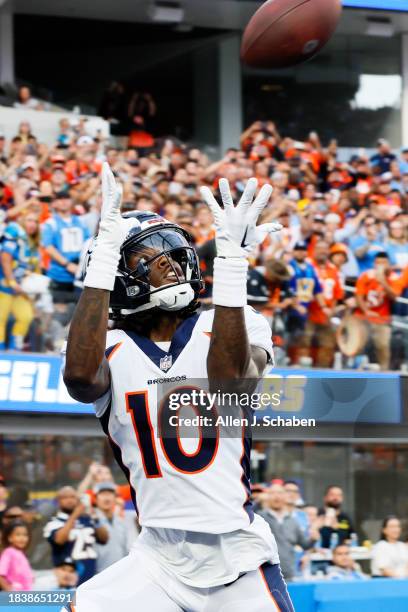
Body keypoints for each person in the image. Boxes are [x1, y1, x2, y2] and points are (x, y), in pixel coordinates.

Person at [63, 164, 294, 610]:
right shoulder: (105, 347)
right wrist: (102, 262)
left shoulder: (233, 322)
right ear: (117, 276)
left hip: (237, 555)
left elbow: (231, 385)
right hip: (157, 557)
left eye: (169, 249)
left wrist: (231, 263)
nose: (166, 259)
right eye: (144, 255)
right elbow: (80, 381)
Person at [43, 486, 108, 586]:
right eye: (65, 497)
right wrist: (75, 514)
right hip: (67, 578)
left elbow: (104, 539)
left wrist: (94, 516)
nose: (69, 500)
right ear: (58, 501)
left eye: (73, 497)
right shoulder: (54, 522)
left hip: (91, 575)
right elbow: (59, 540)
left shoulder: (87, 519)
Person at [257, 484, 317, 581]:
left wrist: (313, 539)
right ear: (267, 497)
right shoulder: (259, 518)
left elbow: (305, 545)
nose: (276, 496)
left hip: (289, 574)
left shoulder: (293, 521)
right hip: (265, 575)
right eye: (272, 493)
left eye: (280, 493)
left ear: (285, 497)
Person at [0, 211, 41, 350]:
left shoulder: (33, 244)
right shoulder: (14, 233)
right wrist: (11, 281)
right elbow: (5, 258)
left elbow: (32, 268)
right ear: (22, 220)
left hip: (20, 290)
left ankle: (14, 349)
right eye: (29, 220)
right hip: (4, 286)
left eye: (35, 221)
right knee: (0, 320)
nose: (32, 224)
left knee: (25, 317)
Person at [41, 190, 90, 304]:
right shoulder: (50, 223)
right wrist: (67, 264)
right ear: (55, 203)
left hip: (80, 275)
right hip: (59, 275)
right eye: (60, 199)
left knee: (79, 312)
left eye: (66, 198)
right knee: (59, 313)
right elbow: (48, 247)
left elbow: (88, 242)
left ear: (71, 201)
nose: (63, 202)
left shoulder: (81, 221)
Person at [354, 252, 400, 369]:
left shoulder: (393, 277)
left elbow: (394, 297)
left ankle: (384, 373)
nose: (380, 265)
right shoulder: (366, 275)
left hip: (382, 318)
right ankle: (354, 370)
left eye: (383, 263)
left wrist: (383, 282)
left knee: (383, 346)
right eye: (378, 262)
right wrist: (366, 310)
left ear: (388, 264)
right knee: (357, 345)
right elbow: (359, 296)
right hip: (363, 317)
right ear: (374, 263)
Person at [94, 482, 128, 572]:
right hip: (97, 575)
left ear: (115, 498)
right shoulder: (91, 519)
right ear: (96, 499)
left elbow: (124, 549)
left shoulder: (120, 521)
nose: (106, 497)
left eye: (109, 494)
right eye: (102, 494)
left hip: (120, 573)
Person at [0, 520, 34, 591]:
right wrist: (9, 590)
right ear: (10, 538)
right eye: (18, 535)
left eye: (25, 535)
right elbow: (1, 575)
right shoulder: (9, 553)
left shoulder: (22, 553)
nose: (22, 538)